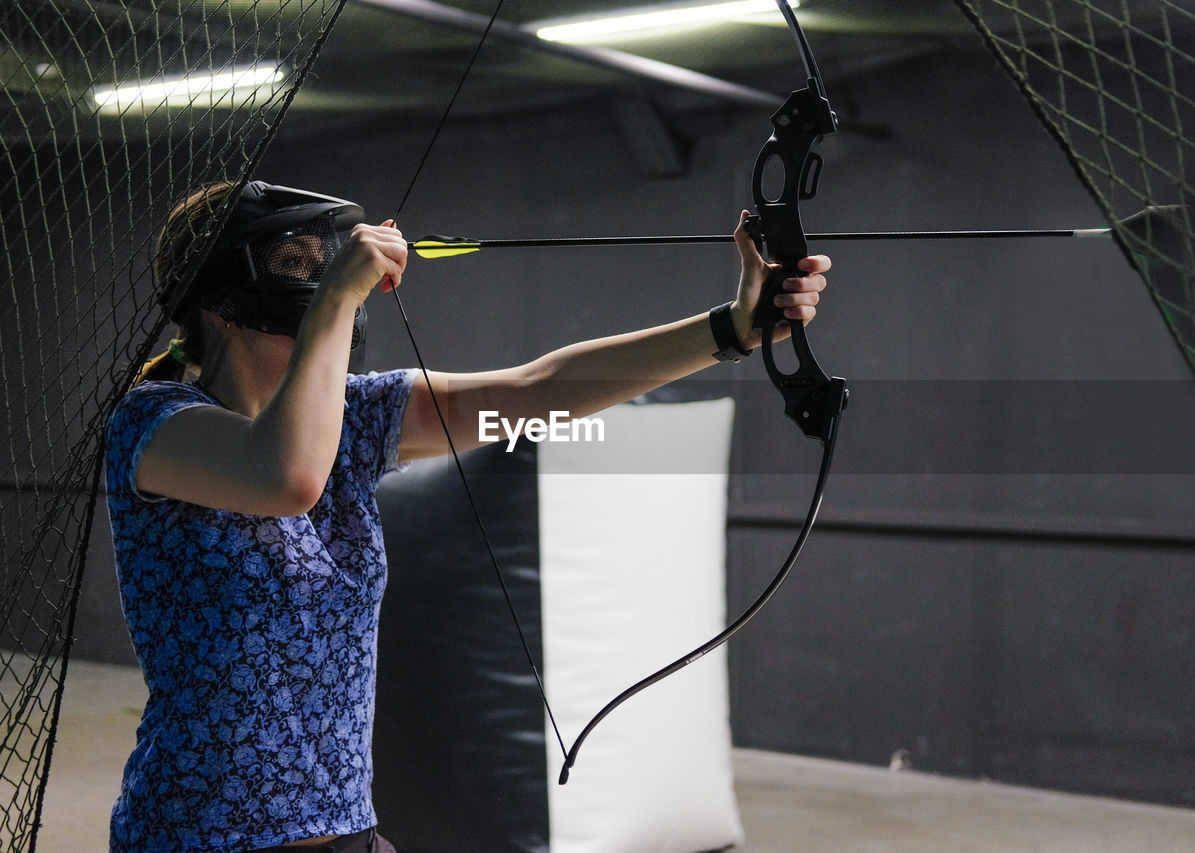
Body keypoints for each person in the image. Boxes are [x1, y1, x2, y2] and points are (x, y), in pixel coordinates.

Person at [104, 179, 830, 852]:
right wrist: (339, 300)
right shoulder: (155, 420)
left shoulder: (350, 416)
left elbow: (535, 388)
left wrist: (729, 330)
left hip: (344, 827)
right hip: (196, 831)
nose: (323, 280)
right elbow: (287, 474)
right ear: (221, 298)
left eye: (325, 266)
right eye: (299, 266)